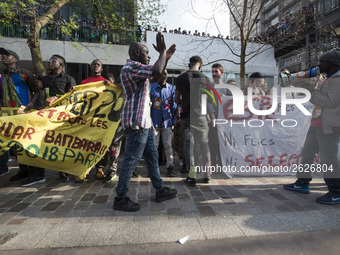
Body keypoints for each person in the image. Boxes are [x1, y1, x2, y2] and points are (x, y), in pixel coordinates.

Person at [113, 32, 177, 212]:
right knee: (131, 160)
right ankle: (120, 198)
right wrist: (162, 51)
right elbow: (156, 71)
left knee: (152, 158)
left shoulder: (140, 70)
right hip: (137, 124)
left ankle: (160, 189)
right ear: (135, 53)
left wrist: (166, 57)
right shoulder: (131, 68)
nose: (149, 55)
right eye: (146, 52)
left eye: (150, 53)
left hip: (146, 124)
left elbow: (158, 75)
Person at [283, 49, 340, 204]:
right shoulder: (330, 78)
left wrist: (311, 93)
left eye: (323, 62)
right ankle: (302, 182)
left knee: (329, 159)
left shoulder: (338, 79)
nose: (319, 65)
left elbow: (331, 101)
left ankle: (336, 191)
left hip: (329, 126)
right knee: (307, 153)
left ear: (333, 64)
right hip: (318, 123)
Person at [0, 48, 40, 178]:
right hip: (8, 114)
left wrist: (31, 103)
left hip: (23, 112)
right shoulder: (3, 75)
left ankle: (33, 171)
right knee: (14, 144)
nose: (4, 57)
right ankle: (22, 169)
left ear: (15, 59)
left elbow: (37, 90)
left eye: (7, 55)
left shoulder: (25, 73)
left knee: (25, 142)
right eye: (2, 56)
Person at [175, 56, 212, 187]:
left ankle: (192, 176)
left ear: (189, 64)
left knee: (189, 146)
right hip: (201, 117)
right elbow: (209, 100)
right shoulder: (206, 79)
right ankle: (207, 174)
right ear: (200, 65)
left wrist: (184, 101)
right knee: (204, 145)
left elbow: (177, 99)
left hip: (186, 116)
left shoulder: (181, 78)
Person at [150, 69, 177, 177]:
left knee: (168, 145)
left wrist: (173, 121)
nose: (163, 76)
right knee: (154, 146)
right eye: (161, 74)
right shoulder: (151, 88)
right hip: (154, 122)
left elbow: (173, 106)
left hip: (166, 122)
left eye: (165, 74)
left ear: (167, 76)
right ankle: (153, 168)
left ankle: (170, 166)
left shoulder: (171, 89)